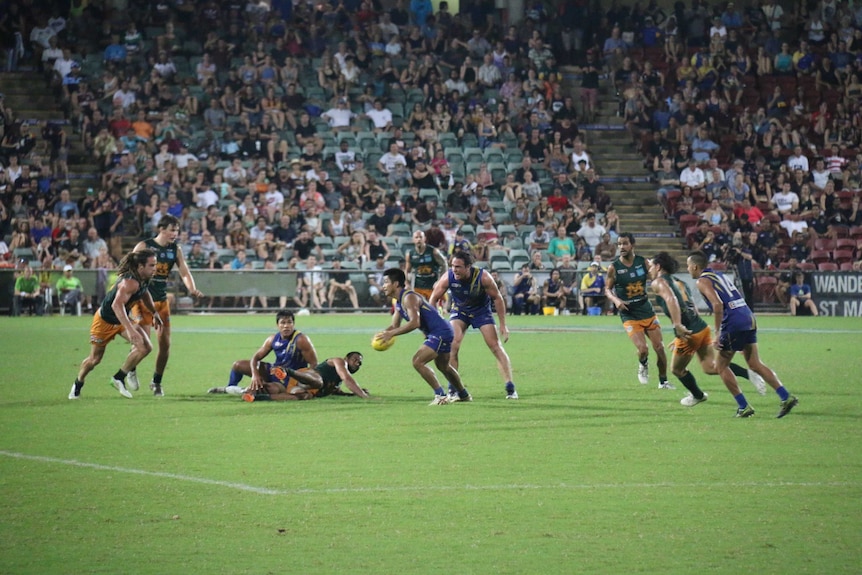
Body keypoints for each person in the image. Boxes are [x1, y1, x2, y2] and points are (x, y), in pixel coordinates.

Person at [687, 251, 799, 418]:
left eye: (688, 266)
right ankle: (785, 396)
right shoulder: (719, 275)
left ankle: (743, 406)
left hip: (733, 322)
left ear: (695, 266)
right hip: (748, 316)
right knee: (754, 363)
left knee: (721, 366)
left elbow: (718, 305)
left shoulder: (702, 281)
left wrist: (718, 332)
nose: (688, 269)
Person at [648, 252, 767, 407]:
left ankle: (698, 395)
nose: (649, 269)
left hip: (689, 332)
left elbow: (672, 300)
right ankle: (750, 374)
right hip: (701, 327)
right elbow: (692, 306)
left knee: (677, 369)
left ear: (658, 267)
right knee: (711, 367)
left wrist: (677, 325)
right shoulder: (679, 282)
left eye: (651, 266)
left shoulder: (658, 282)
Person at [127, 215, 203, 396]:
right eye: (171, 229)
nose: (175, 233)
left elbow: (184, 270)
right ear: (161, 229)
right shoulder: (144, 246)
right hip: (141, 299)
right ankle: (130, 368)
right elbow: (127, 268)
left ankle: (156, 382)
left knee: (165, 344)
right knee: (143, 342)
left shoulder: (175, 249)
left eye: (177, 230)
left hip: (161, 301)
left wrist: (192, 288)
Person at [69, 250, 161, 399]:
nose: (154, 268)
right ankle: (78, 384)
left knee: (145, 347)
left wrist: (154, 312)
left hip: (121, 319)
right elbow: (116, 306)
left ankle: (119, 377)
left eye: (155, 265)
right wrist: (131, 330)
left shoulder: (143, 279)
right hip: (104, 321)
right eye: (151, 265)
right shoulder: (129, 282)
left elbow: (145, 294)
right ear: (140, 266)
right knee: (94, 359)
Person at [429, 250, 518, 400]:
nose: (454, 270)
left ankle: (510, 387)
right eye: (452, 266)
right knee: (453, 346)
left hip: (481, 312)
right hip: (460, 311)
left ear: (468, 267)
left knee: (495, 346)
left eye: (458, 266)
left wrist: (503, 324)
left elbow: (497, 298)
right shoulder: (448, 277)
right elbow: (433, 298)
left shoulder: (483, 277)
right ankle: (453, 389)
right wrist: (434, 321)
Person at [375, 268, 470, 405]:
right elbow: (394, 325)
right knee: (444, 367)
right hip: (439, 332)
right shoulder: (399, 302)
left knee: (418, 361)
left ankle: (440, 396)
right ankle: (463, 394)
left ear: (396, 284)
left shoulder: (409, 297)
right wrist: (383, 334)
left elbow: (414, 323)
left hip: (440, 332)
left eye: (385, 282)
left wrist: (391, 334)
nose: (383, 286)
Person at [605, 233, 672, 389]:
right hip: (629, 313)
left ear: (632, 245)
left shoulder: (643, 263)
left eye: (625, 244)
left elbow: (655, 278)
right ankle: (643, 364)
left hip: (646, 309)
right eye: (619, 244)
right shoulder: (614, 267)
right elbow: (607, 289)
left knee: (660, 348)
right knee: (643, 349)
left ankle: (663, 381)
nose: (621, 247)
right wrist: (616, 300)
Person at [208, 308, 318, 395]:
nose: (286, 326)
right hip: (274, 371)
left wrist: (304, 383)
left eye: (289, 322)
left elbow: (313, 364)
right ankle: (230, 387)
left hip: (289, 379)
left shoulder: (301, 340)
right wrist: (255, 375)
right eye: (283, 323)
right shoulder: (272, 339)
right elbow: (255, 358)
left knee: (269, 389)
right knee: (238, 365)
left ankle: (240, 390)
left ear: (293, 324)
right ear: (277, 325)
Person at [241, 352, 370, 401]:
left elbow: (336, 391)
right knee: (319, 382)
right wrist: (363, 396)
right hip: (306, 374)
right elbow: (347, 379)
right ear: (346, 358)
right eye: (355, 359)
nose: (357, 363)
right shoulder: (339, 361)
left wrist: (352, 395)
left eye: (359, 363)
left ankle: (255, 396)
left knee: (304, 397)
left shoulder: (335, 382)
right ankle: (287, 371)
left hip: (301, 386)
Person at [404, 229, 448, 300]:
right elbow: (407, 270)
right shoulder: (410, 254)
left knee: (433, 307)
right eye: (416, 237)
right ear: (413, 240)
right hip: (418, 286)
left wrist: (440, 281)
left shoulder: (434, 251)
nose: (419, 239)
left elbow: (444, 264)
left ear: (424, 239)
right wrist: (406, 283)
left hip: (432, 284)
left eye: (420, 237)